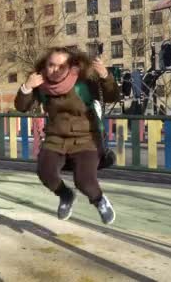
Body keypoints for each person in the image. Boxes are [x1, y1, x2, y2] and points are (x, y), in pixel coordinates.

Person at [14, 46, 120, 225]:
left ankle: (99, 200)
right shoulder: (41, 84)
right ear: (45, 65)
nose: (55, 70)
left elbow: (112, 96)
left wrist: (105, 76)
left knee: (84, 181)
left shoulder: (84, 80)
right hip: (56, 138)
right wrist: (26, 87)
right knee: (45, 172)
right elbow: (22, 107)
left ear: (70, 66)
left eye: (61, 66)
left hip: (86, 138)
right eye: (51, 65)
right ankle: (66, 195)